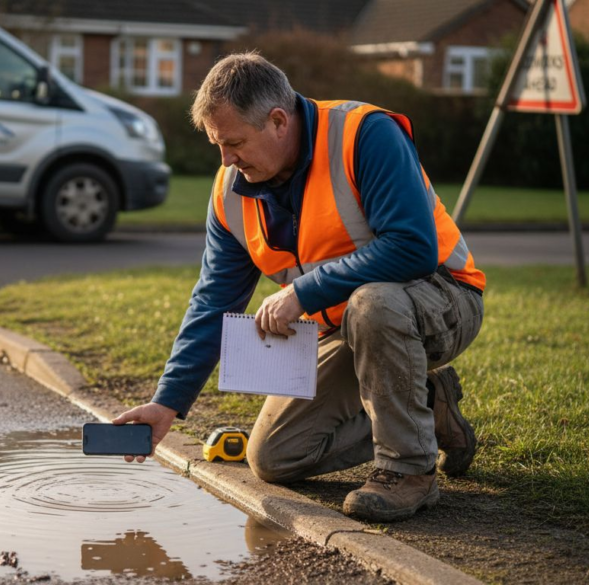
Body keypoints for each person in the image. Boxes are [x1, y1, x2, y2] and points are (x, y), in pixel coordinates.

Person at [113, 52, 486, 523]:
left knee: (373, 303)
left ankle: (408, 471)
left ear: (277, 121)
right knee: (274, 457)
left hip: (441, 297)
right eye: (217, 145)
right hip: (348, 327)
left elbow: (412, 247)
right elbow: (214, 299)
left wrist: (302, 293)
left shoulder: (364, 135)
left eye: (234, 143)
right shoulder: (232, 188)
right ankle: (429, 405)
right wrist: (167, 403)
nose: (226, 160)